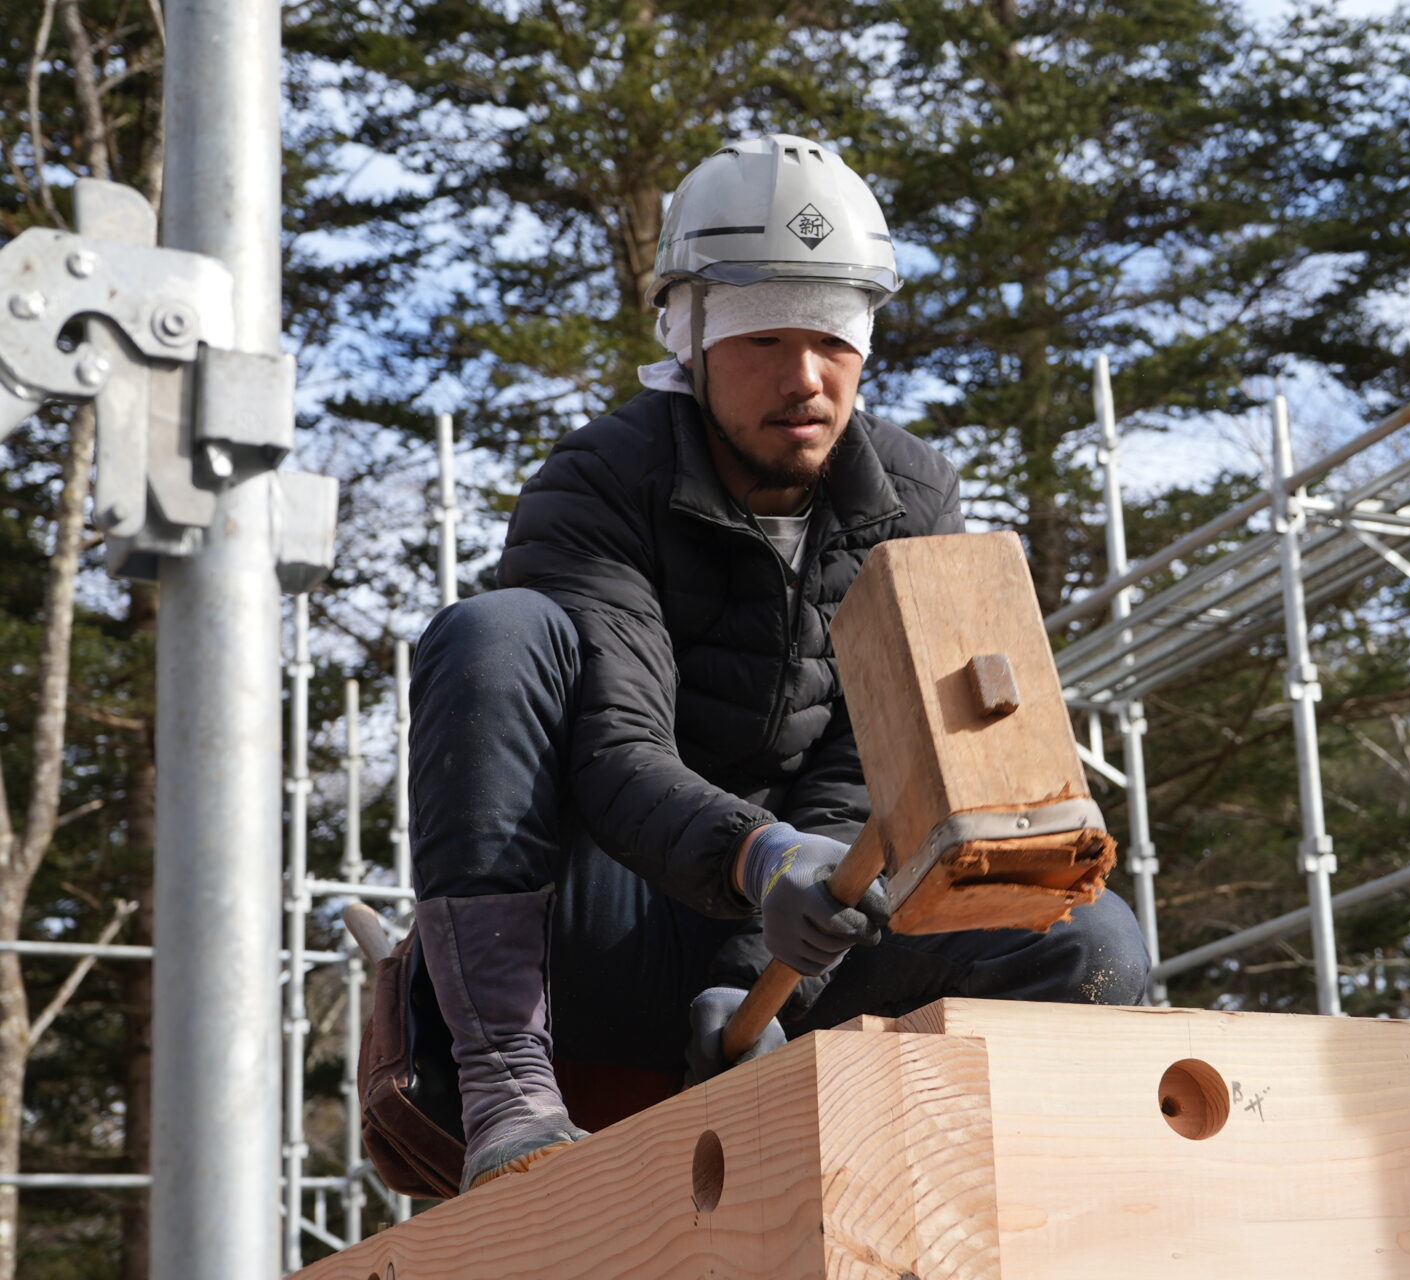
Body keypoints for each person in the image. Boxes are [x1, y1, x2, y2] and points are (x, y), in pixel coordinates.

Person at [405, 134, 1151, 1194]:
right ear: (689, 333)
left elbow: (873, 771)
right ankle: (507, 1089)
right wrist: (760, 860)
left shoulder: (911, 497)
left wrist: (757, 978)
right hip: (605, 921)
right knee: (494, 633)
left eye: (834, 335)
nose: (804, 377)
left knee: (1086, 941)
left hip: (813, 924)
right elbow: (616, 751)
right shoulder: (596, 485)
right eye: (761, 337)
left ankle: (931, 1209)